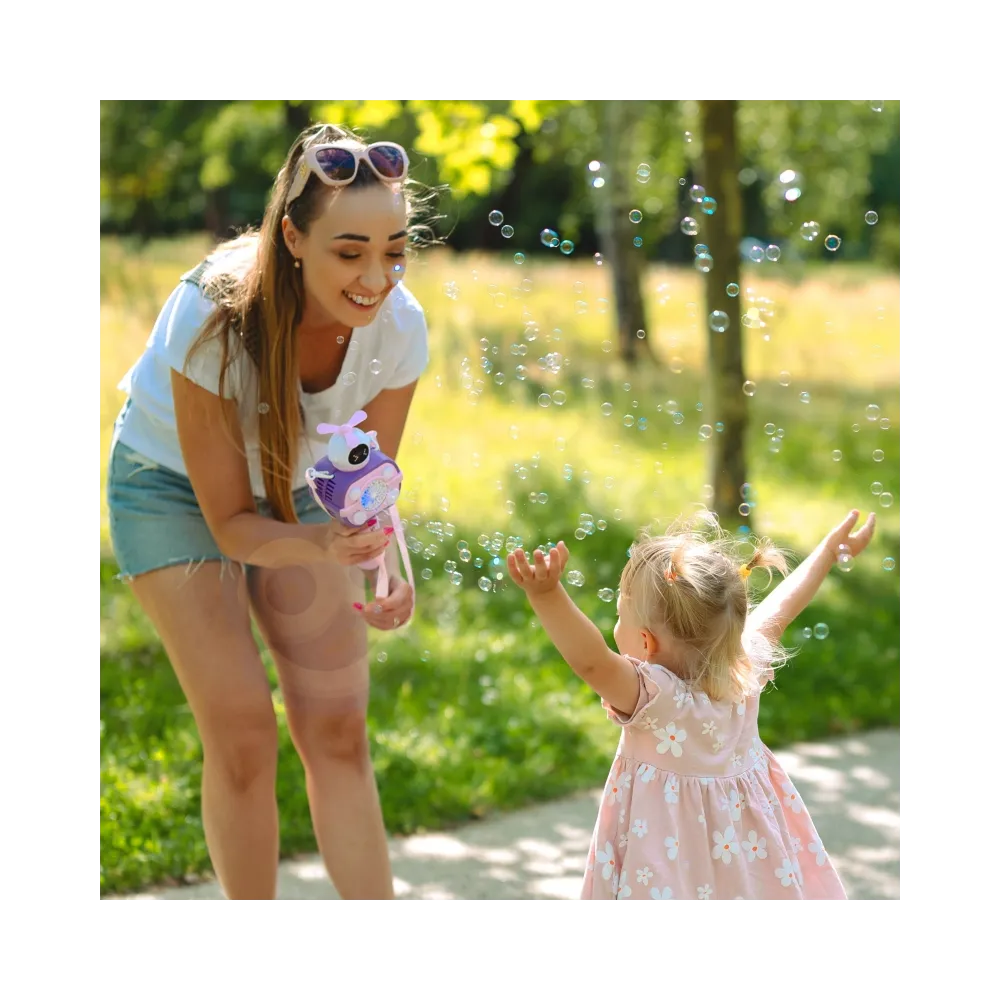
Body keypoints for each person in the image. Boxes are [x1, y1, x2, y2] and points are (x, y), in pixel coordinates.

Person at [105, 123, 438, 902]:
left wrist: (382, 561)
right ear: (292, 236)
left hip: (306, 483)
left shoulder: (400, 327)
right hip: (175, 492)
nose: (376, 277)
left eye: (395, 251)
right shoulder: (211, 316)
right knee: (245, 733)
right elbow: (229, 526)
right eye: (349, 252)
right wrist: (326, 545)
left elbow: (364, 481)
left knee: (336, 729)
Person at [506, 507, 877, 902]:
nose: (615, 626)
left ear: (646, 643)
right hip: (745, 849)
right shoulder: (740, 668)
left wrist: (546, 595)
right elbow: (781, 608)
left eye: (619, 616)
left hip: (667, 857)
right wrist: (826, 552)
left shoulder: (655, 698)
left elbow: (591, 660)